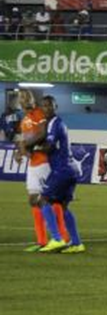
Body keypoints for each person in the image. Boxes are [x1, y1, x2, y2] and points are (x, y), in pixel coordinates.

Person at [24, 96, 85, 253]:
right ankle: (77, 243)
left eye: (50, 105)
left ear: (55, 106)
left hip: (62, 170)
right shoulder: (59, 123)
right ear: (41, 108)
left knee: (43, 200)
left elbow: (50, 146)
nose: (47, 108)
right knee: (63, 207)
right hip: (72, 170)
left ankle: (57, 239)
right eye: (44, 106)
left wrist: (33, 149)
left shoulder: (54, 124)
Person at [15, 90, 67, 252]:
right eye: (22, 98)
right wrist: (20, 150)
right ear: (19, 102)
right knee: (33, 200)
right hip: (33, 163)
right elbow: (25, 140)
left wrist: (26, 146)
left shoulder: (39, 113)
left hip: (44, 162)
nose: (26, 100)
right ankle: (42, 241)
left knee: (48, 200)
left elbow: (43, 134)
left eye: (28, 97)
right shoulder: (24, 120)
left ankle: (61, 237)